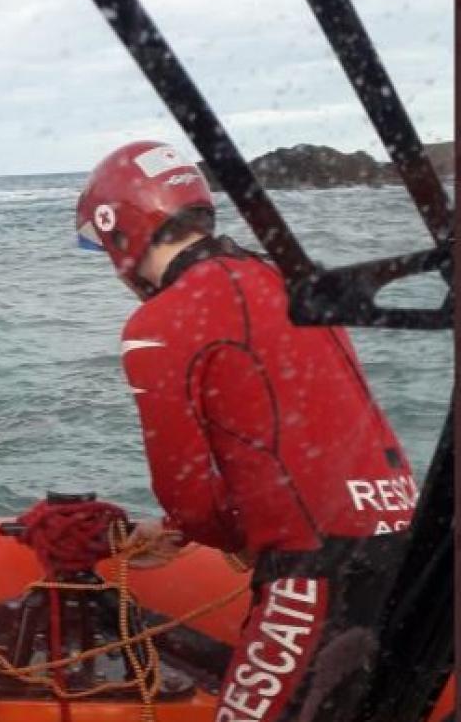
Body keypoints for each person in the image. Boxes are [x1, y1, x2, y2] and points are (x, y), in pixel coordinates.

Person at [75, 141, 418, 721]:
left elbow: (185, 496)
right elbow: (308, 427)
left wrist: (196, 530)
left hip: (320, 568)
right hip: (413, 541)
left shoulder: (158, 325)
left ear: (119, 233)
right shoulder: (286, 277)